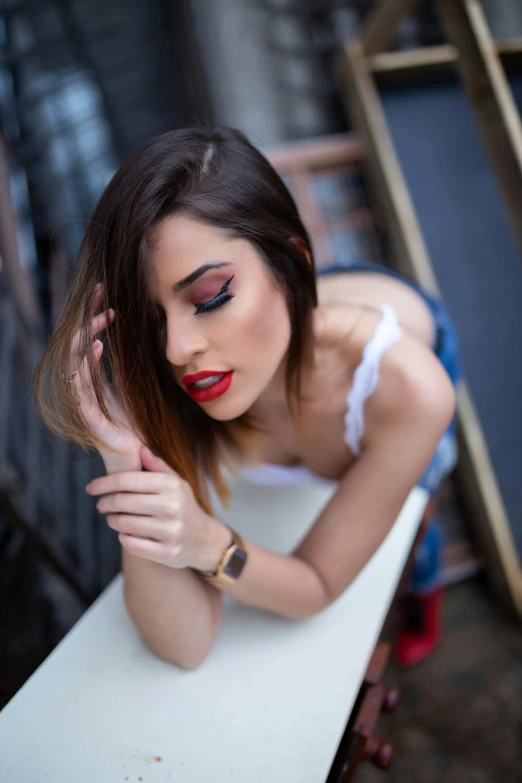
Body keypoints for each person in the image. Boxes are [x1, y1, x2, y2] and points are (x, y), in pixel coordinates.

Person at [34, 126, 461, 670]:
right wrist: (125, 461)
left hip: (384, 342)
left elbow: (318, 583)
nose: (176, 349)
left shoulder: (410, 390)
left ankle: (427, 590)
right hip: (278, 313)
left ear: (295, 262)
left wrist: (210, 545)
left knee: (410, 512)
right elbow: (184, 646)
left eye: (210, 298)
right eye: (150, 318)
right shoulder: (163, 364)